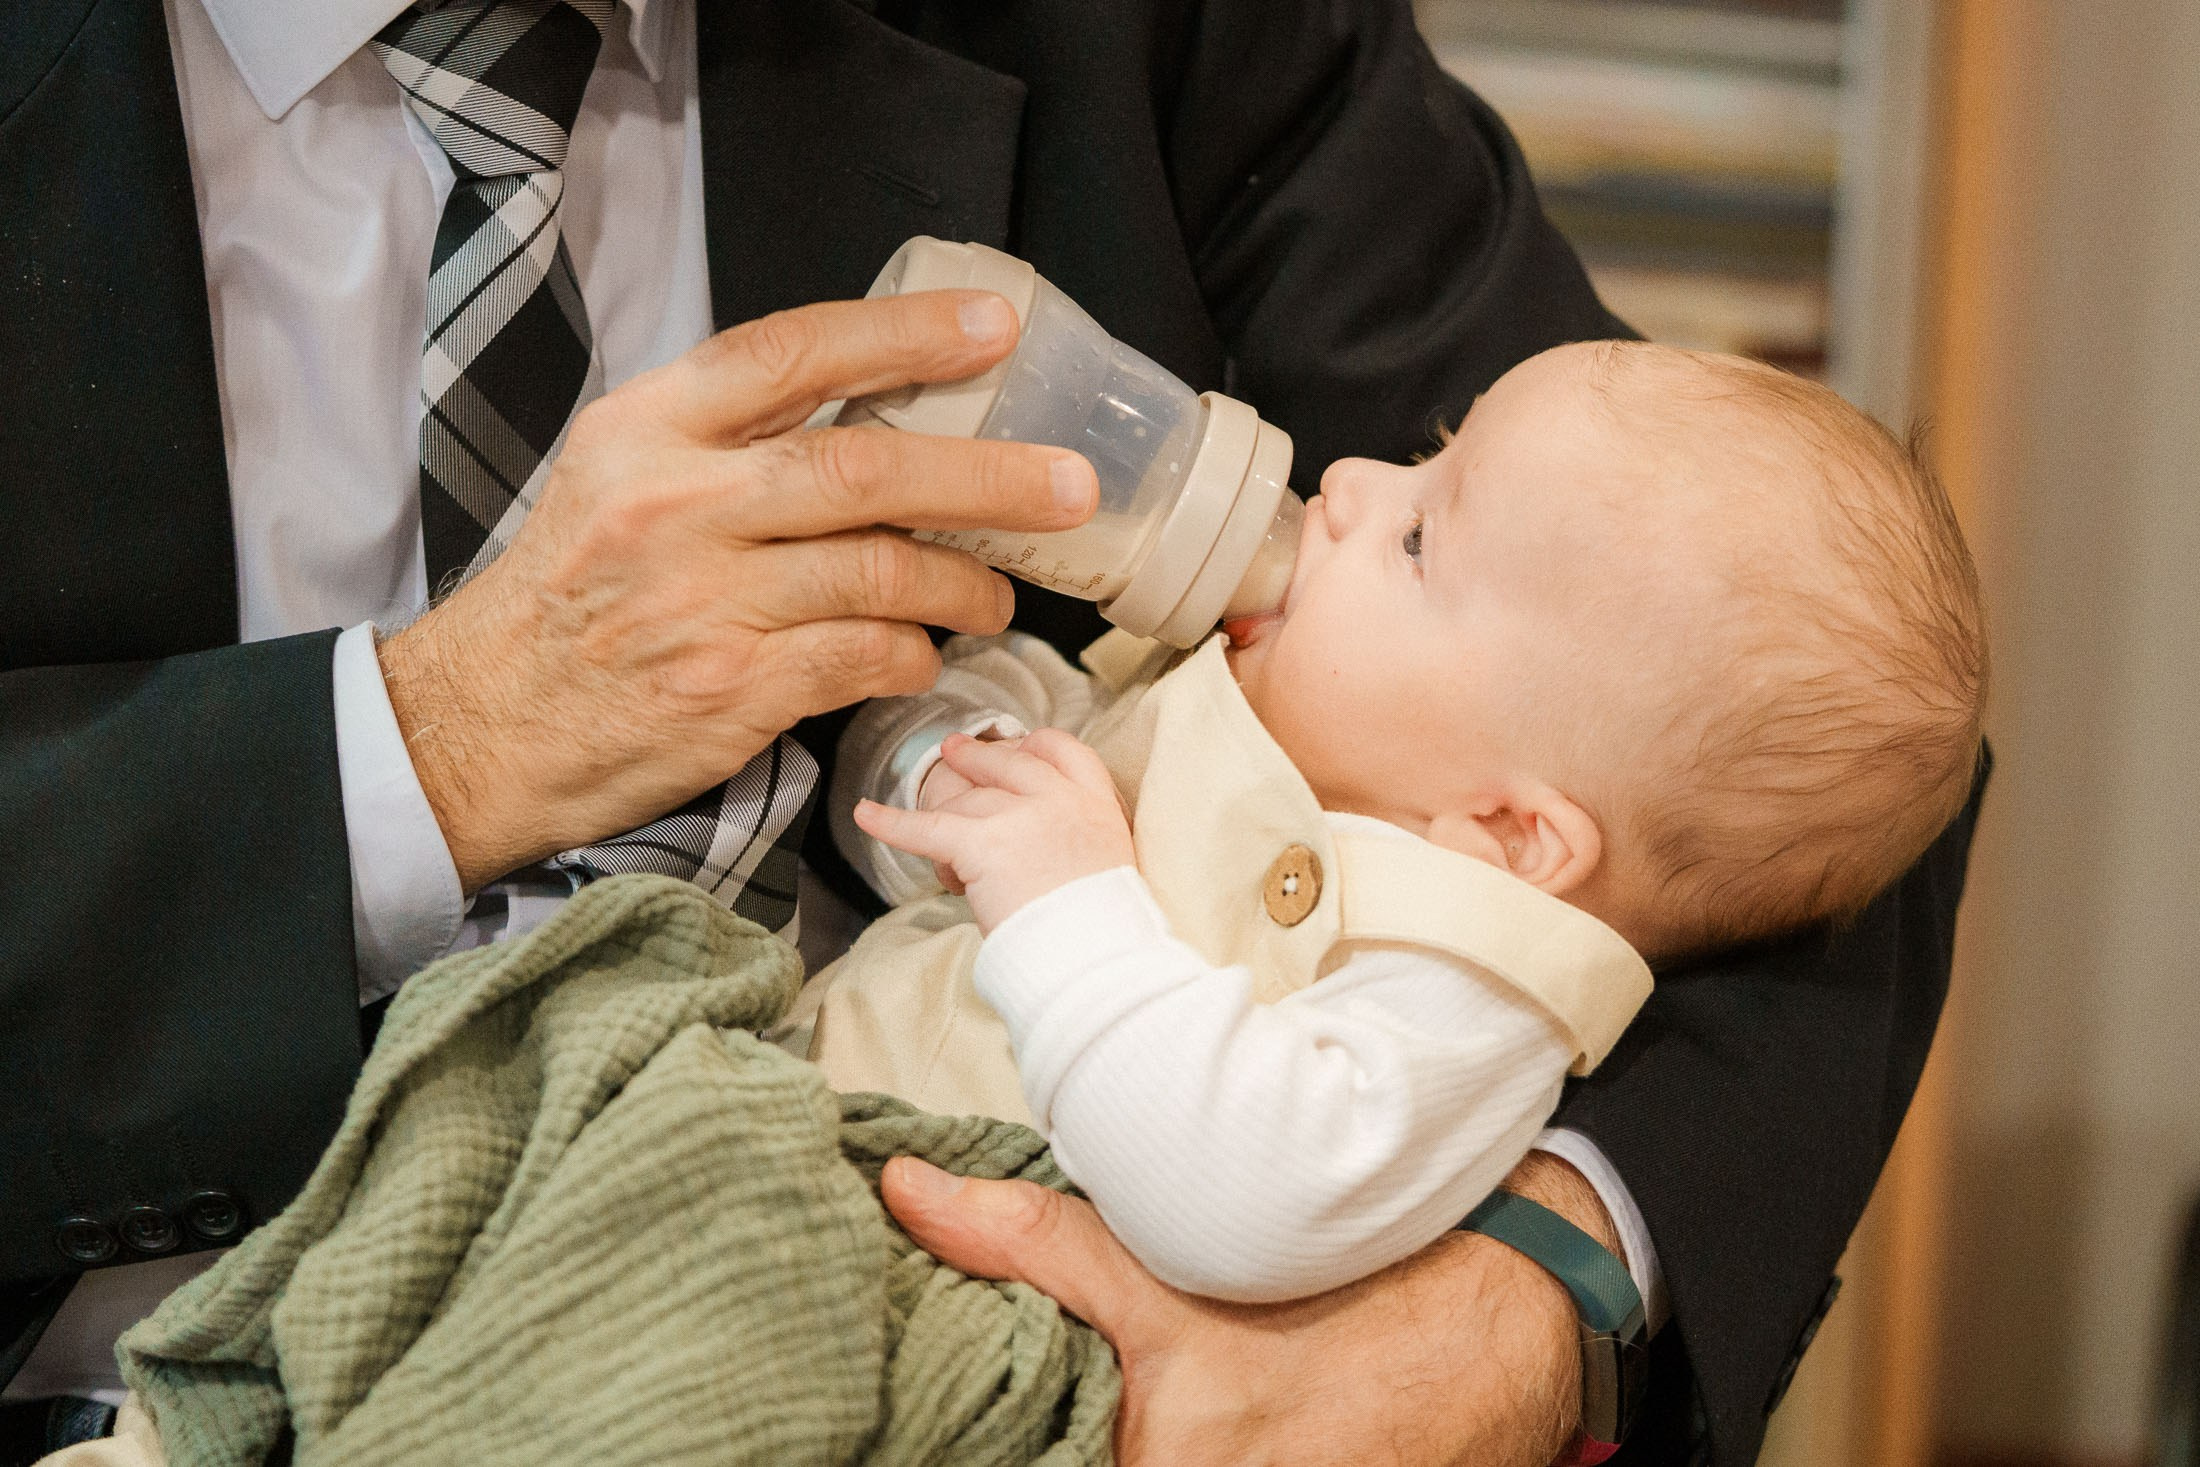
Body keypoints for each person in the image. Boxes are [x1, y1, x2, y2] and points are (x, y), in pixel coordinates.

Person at [0, 1, 1985, 1463]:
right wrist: (429, 740)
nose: (1362, 482)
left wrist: (1523, 1296)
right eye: (1410, 478)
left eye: (1422, 510)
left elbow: (1732, 685)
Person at [798, 341, 1986, 1306]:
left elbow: (1243, 1200)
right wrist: (953, 762)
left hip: (895, 1290)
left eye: (1418, 539)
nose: (1352, 482)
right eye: (1427, 456)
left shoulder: (1454, 980)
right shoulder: (1249, 702)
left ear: (1508, 831)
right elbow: (949, 778)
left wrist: (1065, 907)